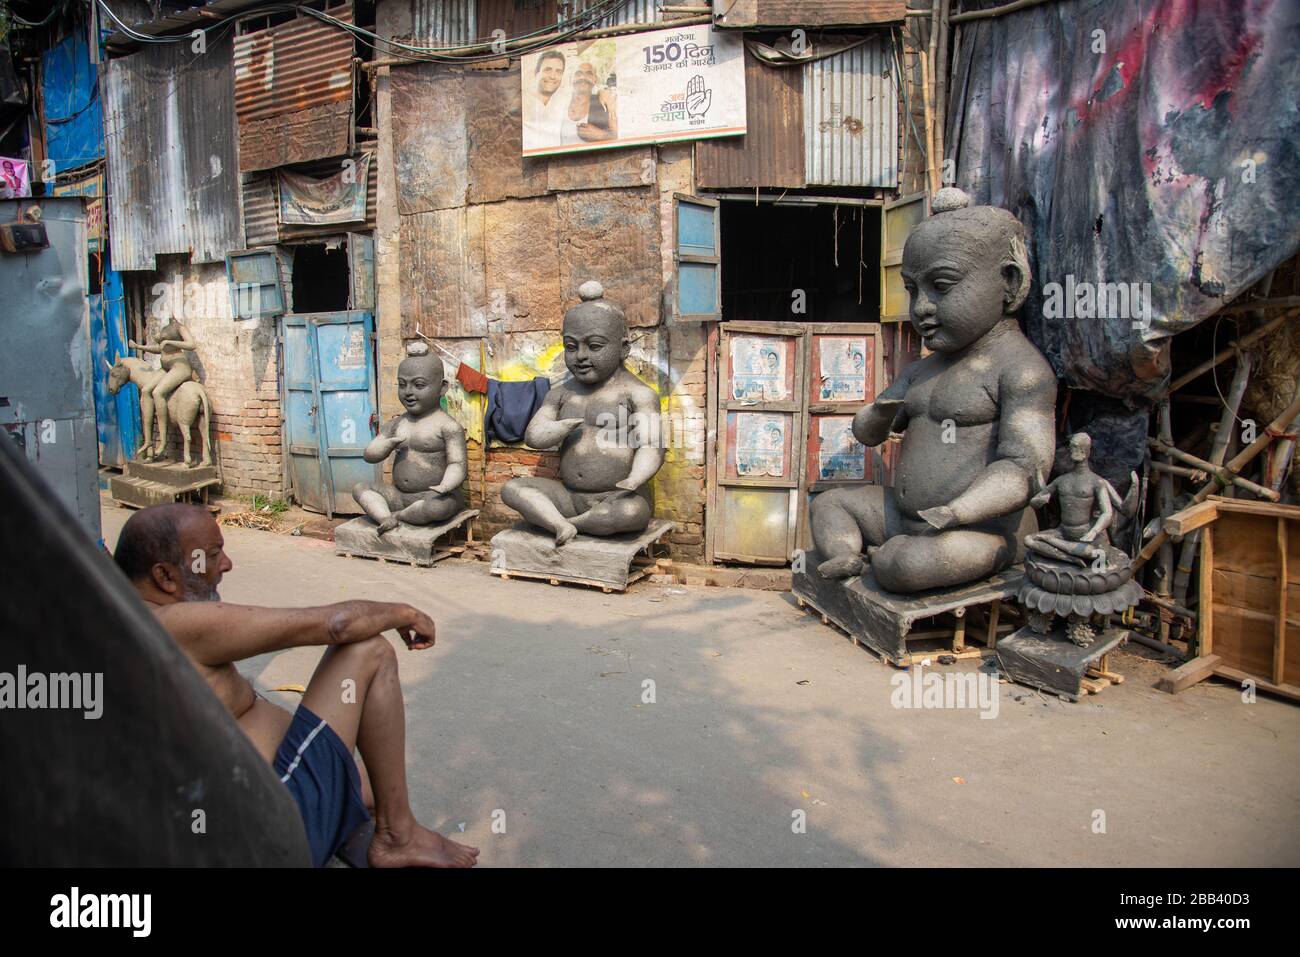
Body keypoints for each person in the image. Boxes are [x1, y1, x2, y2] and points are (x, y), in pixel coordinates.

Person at [113, 503, 480, 868]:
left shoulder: (118, 625)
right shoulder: (174, 625)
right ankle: (398, 836)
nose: (226, 564)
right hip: (272, 833)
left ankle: (350, 817)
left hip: (242, 816)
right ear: (165, 577)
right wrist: (407, 612)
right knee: (369, 649)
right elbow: (337, 625)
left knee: (370, 778)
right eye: (211, 555)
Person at [809, 188, 1056, 592]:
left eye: (942, 286)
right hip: (906, 515)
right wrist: (876, 414)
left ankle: (884, 560)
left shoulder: (1022, 370)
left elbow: (1025, 469)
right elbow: (867, 433)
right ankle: (846, 557)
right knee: (830, 503)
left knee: (904, 563)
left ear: (1008, 283)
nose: (922, 306)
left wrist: (957, 512)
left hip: (981, 529)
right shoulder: (922, 369)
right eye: (912, 291)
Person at [352, 342, 467, 535]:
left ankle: (399, 517)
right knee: (360, 489)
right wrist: (386, 445)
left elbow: (457, 463)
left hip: (433, 496)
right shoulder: (398, 423)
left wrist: (445, 485)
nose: (409, 392)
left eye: (419, 385)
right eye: (403, 385)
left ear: (442, 388)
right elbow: (370, 455)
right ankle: (385, 517)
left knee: (437, 508)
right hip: (398, 496)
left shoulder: (448, 426)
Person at [128, 320, 200, 462]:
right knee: (147, 390)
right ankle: (148, 440)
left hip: (179, 366)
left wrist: (172, 343)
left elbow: (192, 345)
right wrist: (139, 346)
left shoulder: (180, 327)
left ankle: (163, 441)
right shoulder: (167, 325)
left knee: (158, 393)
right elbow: (160, 348)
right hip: (166, 367)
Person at [560, 61, 617, 145]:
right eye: (578, 73)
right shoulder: (560, 102)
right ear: (571, 78)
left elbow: (621, 135)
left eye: (589, 74)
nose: (583, 77)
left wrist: (602, 135)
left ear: (595, 79)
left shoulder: (605, 104)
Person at [523, 49, 568, 147]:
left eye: (558, 71)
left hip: (555, 160)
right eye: (548, 70)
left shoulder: (563, 101)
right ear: (537, 73)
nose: (553, 76)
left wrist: (601, 92)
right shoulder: (523, 101)